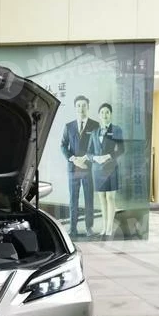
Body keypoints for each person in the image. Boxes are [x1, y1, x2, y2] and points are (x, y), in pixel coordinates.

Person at [60, 95, 99, 237]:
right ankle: (73, 228)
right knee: (73, 199)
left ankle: (89, 228)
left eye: (84, 105)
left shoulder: (95, 125)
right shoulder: (69, 126)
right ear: (75, 107)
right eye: (78, 105)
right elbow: (63, 145)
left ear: (88, 107)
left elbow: (98, 147)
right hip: (73, 168)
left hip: (87, 168)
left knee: (89, 198)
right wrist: (73, 159)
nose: (81, 108)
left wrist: (86, 158)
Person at [89, 103, 124, 240]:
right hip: (97, 169)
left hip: (111, 167)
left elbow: (121, 149)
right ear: (99, 115)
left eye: (107, 112)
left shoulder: (116, 130)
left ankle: (109, 228)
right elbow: (89, 152)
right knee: (102, 199)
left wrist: (109, 156)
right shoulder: (94, 132)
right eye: (102, 112)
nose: (105, 115)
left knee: (110, 198)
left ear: (111, 114)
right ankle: (104, 227)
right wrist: (95, 158)